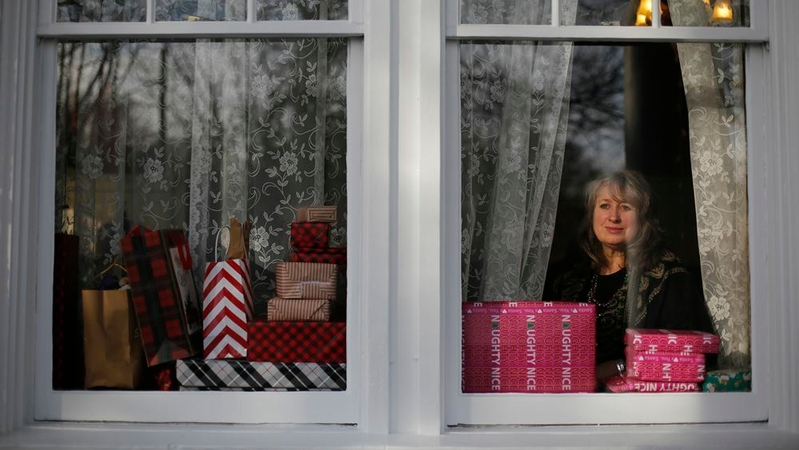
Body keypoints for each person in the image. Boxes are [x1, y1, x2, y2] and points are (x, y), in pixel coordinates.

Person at [543, 169, 715, 389]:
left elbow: (690, 354)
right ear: (591, 214)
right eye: (604, 205)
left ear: (643, 218)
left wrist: (616, 367)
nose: (613, 216)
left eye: (625, 207)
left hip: (636, 406)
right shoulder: (567, 277)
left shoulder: (669, 276)